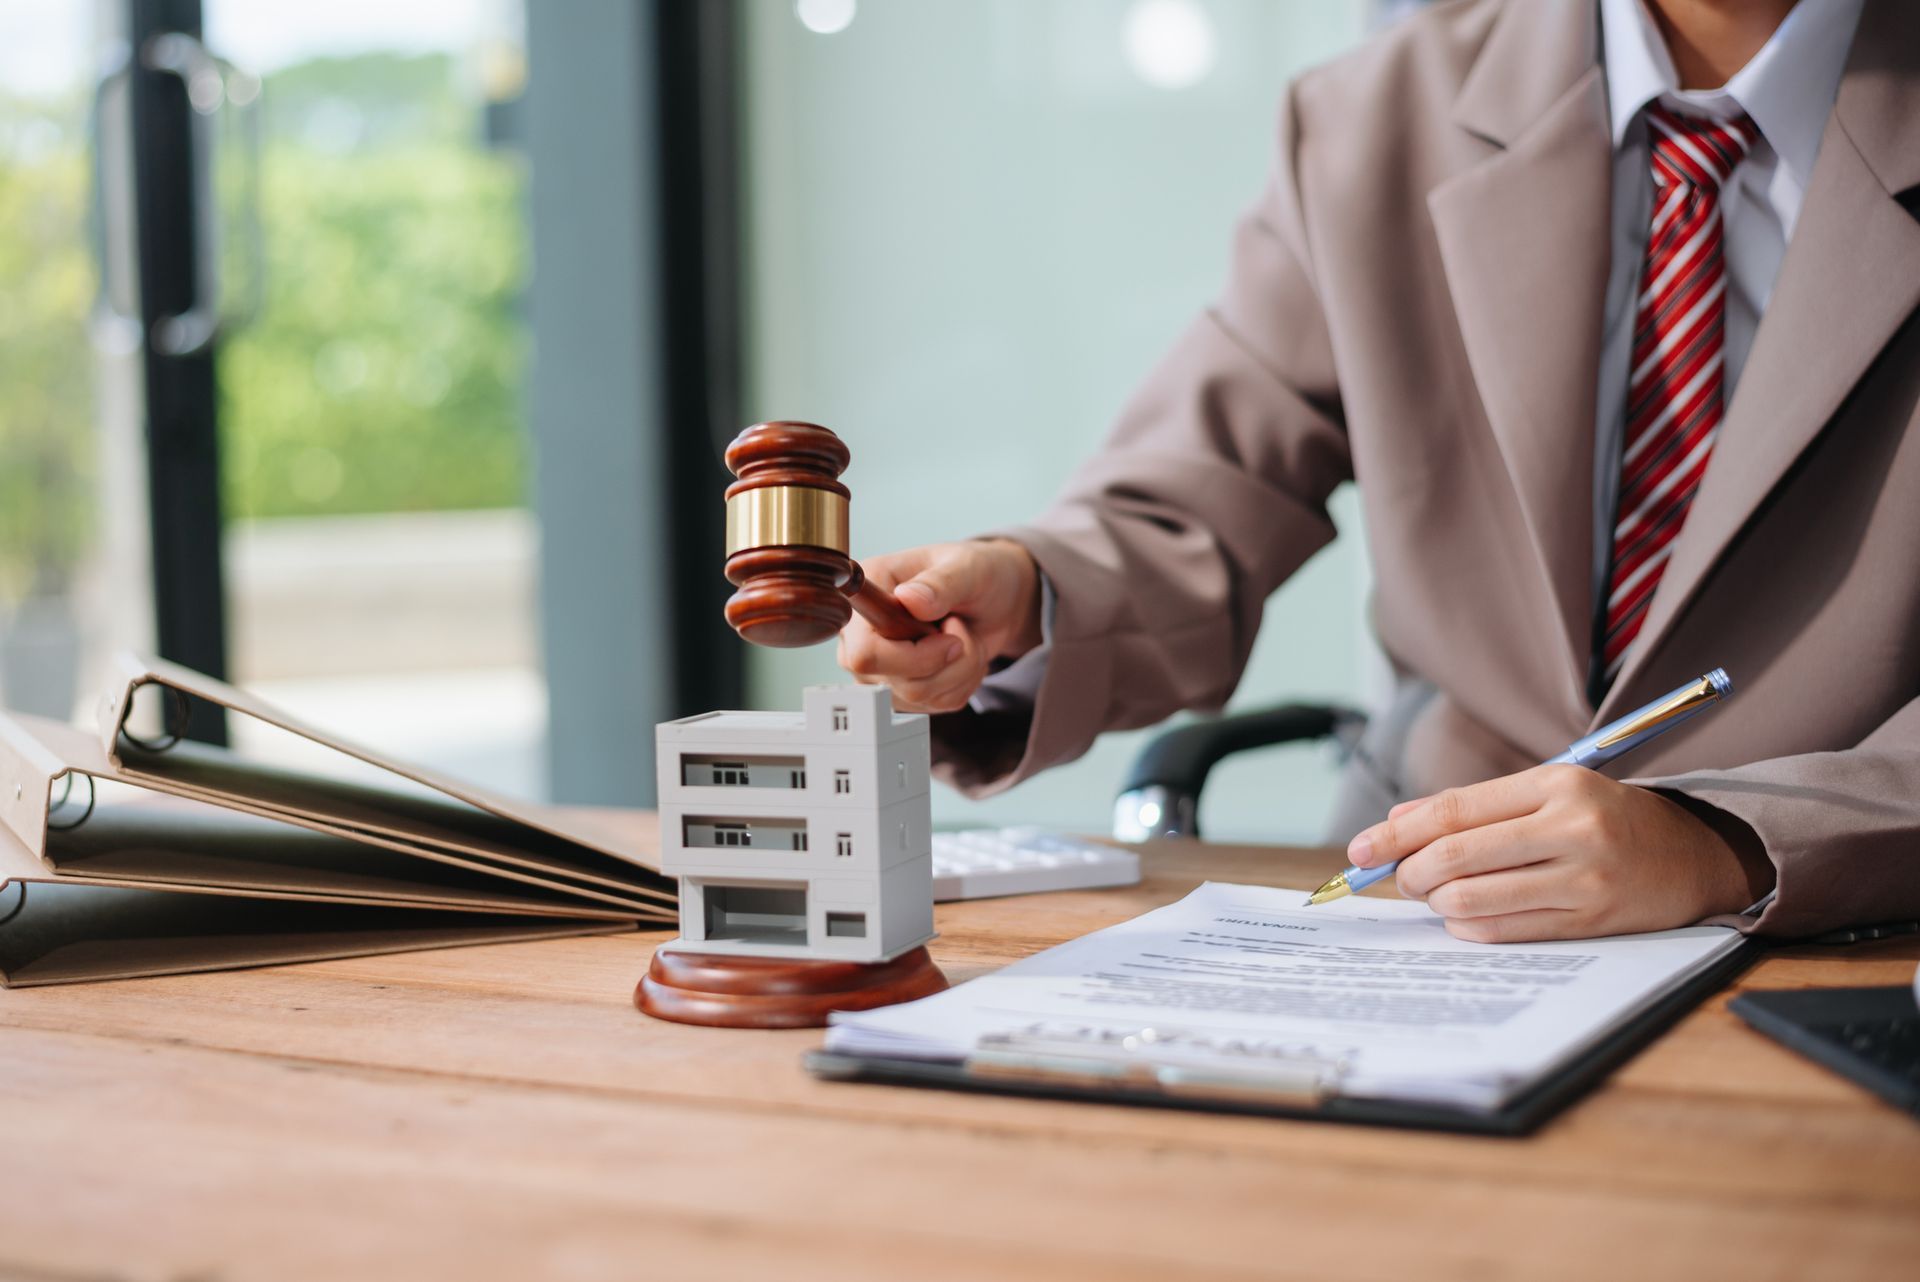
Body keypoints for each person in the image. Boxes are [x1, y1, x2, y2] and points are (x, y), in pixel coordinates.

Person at [839, 0, 1920, 942]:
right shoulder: (1374, 116)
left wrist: (1726, 840)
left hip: (1836, 929)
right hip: (1414, 905)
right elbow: (1204, 483)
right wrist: (1030, 592)